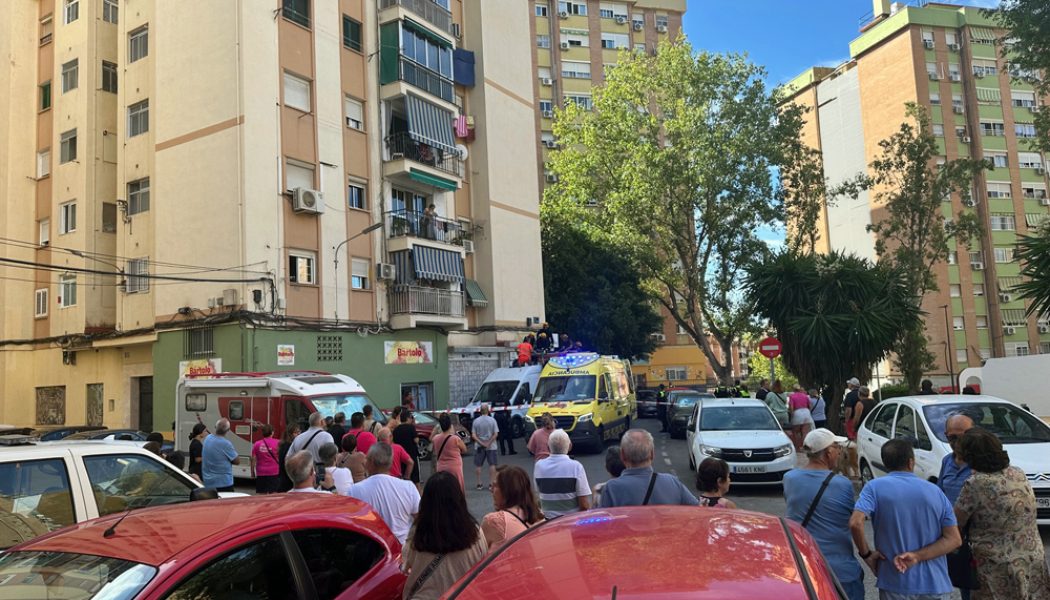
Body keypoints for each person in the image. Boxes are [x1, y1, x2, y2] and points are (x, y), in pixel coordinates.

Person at [849, 439, 961, 600]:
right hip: (935, 583)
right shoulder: (935, 491)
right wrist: (917, 556)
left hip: (895, 581)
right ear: (911, 462)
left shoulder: (874, 487)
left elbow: (855, 522)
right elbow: (954, 540)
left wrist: (867, 555)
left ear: (886, 463)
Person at [953, 428, 1050, 599]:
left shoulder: (976, 483)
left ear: (970, 456)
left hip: (997, 565)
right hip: (1031, 556)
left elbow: (955, 523)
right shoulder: (1018, 473)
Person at [784, 428, 865, 600]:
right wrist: (867, 553)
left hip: (805, 567)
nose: (839, 452)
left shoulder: (789, 478)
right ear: (828, 453)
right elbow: (854, 521)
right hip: (840, 570)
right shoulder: (842, 484)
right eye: (837, 447)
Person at [401, 471, 487, 600]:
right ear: (459, 499)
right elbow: (483, 566)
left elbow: (405, 565)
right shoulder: (474, 532)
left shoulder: (418, 533)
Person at [599, 430, 698, 507]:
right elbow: (697, 508)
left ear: (623, 456)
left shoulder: (611, 488)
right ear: (652, 454)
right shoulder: (672, 482)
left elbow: (600, 526)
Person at [350, 443, 421, 545]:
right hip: (402, 548)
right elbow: (420, 518)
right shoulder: (408, 487)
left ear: (371, 462)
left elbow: (353, 524)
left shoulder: (354, 490)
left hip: (372, 548)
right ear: (390, 462)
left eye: (366, 459)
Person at [482, 465, 544, 551]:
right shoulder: (539, 515)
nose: (491, 489)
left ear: (507, 490)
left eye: (495, 485)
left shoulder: (494, 521)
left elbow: (478, 556)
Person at [533, 429, 590, 517]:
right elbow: (584, 504)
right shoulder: (576, 467)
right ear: (570, 446)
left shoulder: (539, 466)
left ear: (548, 447)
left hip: (548, 522)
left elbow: (538, 497)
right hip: (570, 521)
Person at [431, 413, 468, 490]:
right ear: (450, 425)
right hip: (454, 466)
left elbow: (435, 450)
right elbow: (464, 450)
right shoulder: (455, 439)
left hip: (441, 466)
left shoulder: (435, 438)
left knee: (443, 488)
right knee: (457, 487)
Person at [201, 418, 239, 492]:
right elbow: (237, 461)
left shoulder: (207, 439)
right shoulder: (226, 444)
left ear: (215, 427)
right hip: (224, 483)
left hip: (208, 482)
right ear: (228, 430)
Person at [471, 404, 500, 490]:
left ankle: (479, 483)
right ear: (488, 410)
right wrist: (488, 443)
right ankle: (491, 483)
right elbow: (495, 434)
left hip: (479, 446)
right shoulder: (492, 420)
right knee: (492, 464)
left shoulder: (476, 421)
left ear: (480, 410)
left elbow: (473, 435)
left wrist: (481, 443)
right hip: (491, 446)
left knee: (478, 465)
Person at [392, 411, 421, 487]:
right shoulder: (411, 428)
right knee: (416, 480)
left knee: (401, 479)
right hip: (411, 455)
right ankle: (419, 497)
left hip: (400, 456)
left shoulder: (396, 430)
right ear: (408, 418)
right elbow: (416, 440)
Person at [250, 424, 281, 494]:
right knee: (273, 494)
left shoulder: (257, 444)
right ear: (272, 432)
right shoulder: (278, 442)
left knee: (261, 495)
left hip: (261, 472)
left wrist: (252, 472)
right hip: (274, 472)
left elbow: (253, 459)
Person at [788, 385, 815, 450]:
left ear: (793, 390)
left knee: (796, 432)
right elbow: (810, 406)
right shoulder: (805, 396)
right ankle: (805, 447)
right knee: (805, 432)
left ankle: (797, 448)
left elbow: (791, 407)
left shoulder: (792, 396)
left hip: (797, 413)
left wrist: (791, 415)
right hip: (806, 413)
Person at [277, 423, 300, 492]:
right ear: (290, 434)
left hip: (283, 478)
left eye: (299, 432)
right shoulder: (289, 446)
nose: (299, 434)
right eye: (296, 432)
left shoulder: (284, 444)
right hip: (287, 480)